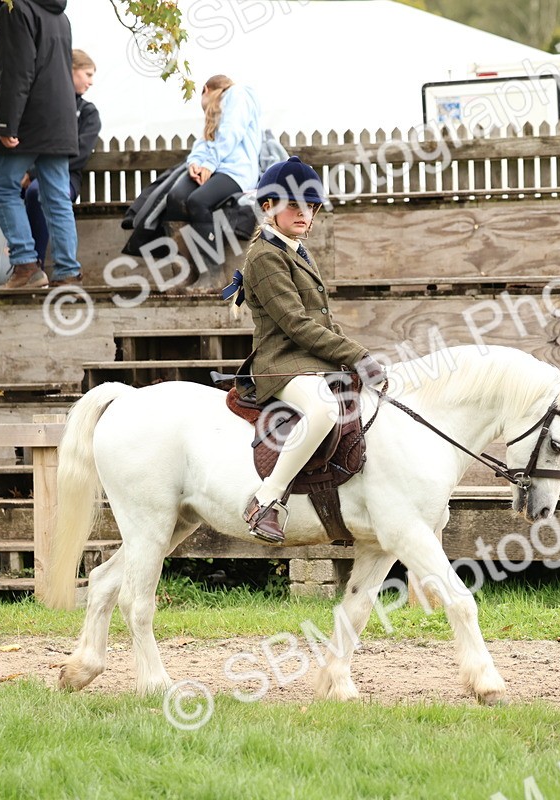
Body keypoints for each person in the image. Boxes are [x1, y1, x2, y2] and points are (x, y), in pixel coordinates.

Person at [237, 157, 383, 543]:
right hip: (282, 362)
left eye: (311, 205)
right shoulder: (265, 256)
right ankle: (266, 501)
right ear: (268, 207)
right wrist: (355, 355)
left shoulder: (298, 250)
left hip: (311, 358)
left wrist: (352, 356)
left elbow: (323, 320)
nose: (304, 212)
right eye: (294, 204)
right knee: (322, 410)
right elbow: (297, 325)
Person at [0, 49, 100, 289]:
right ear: (70, 71)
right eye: (88, 74)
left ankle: (34, 266)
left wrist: (30, 173)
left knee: (37, 192)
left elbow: (78, 154)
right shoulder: (34, 102)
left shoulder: (87, 112)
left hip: (57, 174)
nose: (91, 81)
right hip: (16, 173)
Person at [0, 0, 81, 290]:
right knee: (57, 197)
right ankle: (68, 273)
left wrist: (7, 122)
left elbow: (18, 69)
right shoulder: (59, 15)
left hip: (28, 117)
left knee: (1, 187)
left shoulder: (16, 8)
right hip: (59, 118)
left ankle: (26, 265)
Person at [162, 74, 262, 289]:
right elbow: (203, 143)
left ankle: (212, 273)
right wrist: (195, 163)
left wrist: (209, 163)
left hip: (237, 171)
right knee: (176, 198)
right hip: (215, 169)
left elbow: (231, 132)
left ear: (206, 90)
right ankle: (187, 272)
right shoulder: (214, 115)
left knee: (199, 201)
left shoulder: (237, 93)